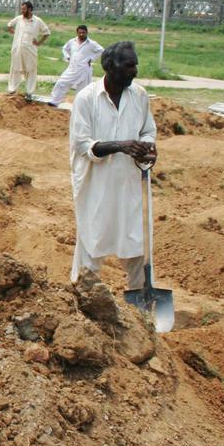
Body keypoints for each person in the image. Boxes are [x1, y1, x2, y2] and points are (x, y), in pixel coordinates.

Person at [69, 41, 157, 287]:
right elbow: (82, 145)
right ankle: (83, 300)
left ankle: (142, 300)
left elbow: (148, 131)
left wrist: (147, 148)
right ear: (110, 66)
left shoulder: (139, 95)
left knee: (138, 243)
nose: (135, 70)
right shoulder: (86, 99)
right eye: (129, 65)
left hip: (130, 184)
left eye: (135, 65)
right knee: (92, 240)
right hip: (97, 186)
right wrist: (121, 146)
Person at [48, 25, 104, 107]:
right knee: (61, 83)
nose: (81, 34)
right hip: (72, 68)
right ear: (77, 33)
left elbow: (101, 50)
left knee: (83, 89)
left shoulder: (91, 44)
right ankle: (54, 101)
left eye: (83, 33)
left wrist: (92, 58)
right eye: (80, 33)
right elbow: (64, 48)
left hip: (84, 69)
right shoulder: (72, 41)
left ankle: (79, 106)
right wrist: (67, 57)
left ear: (87, 33)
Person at [7, 1, 51, 97]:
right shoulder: (19, 19)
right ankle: (12, 89)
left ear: (30, 9)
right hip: (17, 49)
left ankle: (29, 92)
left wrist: (39, 43)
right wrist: (15, 33)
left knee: (31, 70)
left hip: (30, 50)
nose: (22, 11)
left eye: (24, 9)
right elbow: (9, 25)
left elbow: (46, 33)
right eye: (21, 9)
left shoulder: (37, 21)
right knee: (15, 68)